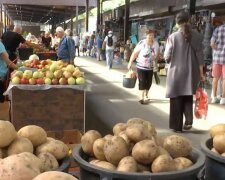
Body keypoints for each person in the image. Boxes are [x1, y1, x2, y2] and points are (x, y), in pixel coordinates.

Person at [164, 11, 205, 132]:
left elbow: (167, 56)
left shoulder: (173, 37)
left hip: (176, 72)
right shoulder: (197, 36)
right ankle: (188, 122)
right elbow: (200, 57)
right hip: (192, 72)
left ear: (177, 22)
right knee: (187, 95)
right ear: (189, 21)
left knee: (176, 97)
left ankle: (177, 126)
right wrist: (201, 74)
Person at [127, 29, 159, 104]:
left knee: (149, 82)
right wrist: (130, 62)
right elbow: (135, 53)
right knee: (142, 81)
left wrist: (156, 63)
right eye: (149, 35)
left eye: (152, 35)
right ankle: (141, 96)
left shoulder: (156, 43)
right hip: (141, 66)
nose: (151, 37)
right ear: (146, 35)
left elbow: (157, 54)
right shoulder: (142, 43)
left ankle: (146, 94)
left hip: (150, 67)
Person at [210, 23, 225, 104]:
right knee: (224, 79)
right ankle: (223, 99)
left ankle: (214, 98)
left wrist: (217, 49)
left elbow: (212, 43)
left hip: (217, 58)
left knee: (215, 78)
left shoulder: (218, 29)